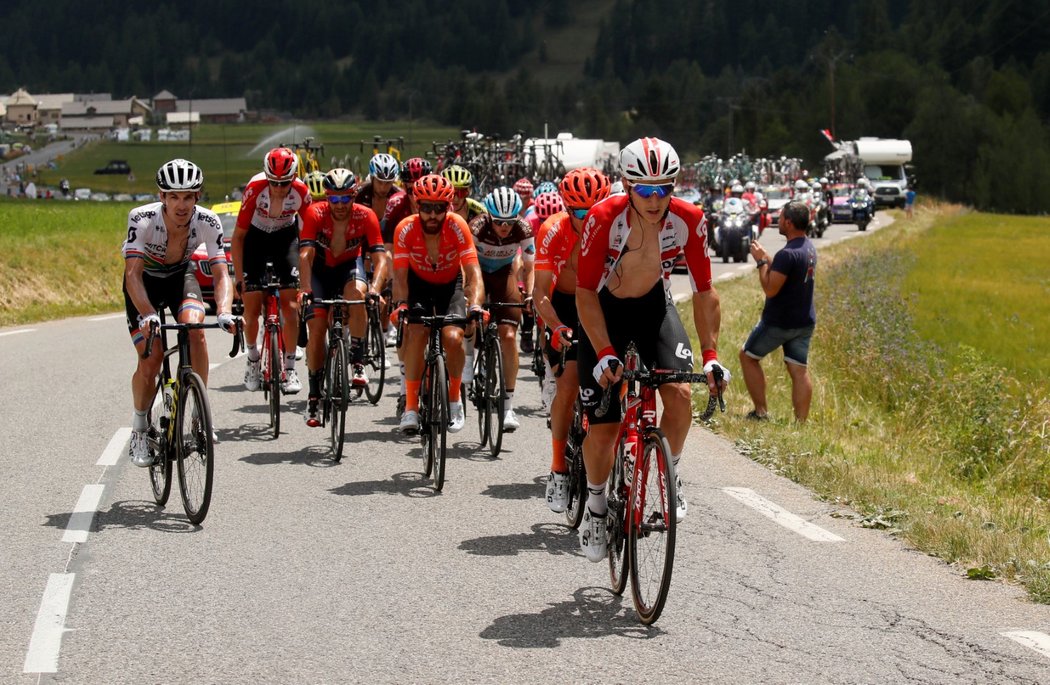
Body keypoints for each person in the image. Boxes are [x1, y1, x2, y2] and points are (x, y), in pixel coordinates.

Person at [575, 137, 730, 562]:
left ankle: (669, 472)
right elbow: (585, 292)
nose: (655, 198)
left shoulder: (689, 219)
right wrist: (604, 350)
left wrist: (712, 355)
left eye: (665, 188)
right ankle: (595, 506)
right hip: (605, 311)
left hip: (653, 309)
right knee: (604, 430)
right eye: (645, 189)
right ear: (627, 185)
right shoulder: (604, 217)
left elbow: (704, 292)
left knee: (680, 395)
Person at [122, 159, 237, 466]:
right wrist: (147, 313)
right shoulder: (142, 218)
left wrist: (224, 310)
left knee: (196, 330)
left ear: (197, 197)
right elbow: (132, 274)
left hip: (179, 278)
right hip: (144, 284)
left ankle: (199, 411)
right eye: (174, 196)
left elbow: (221, 273)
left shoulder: (208, 221)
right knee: (152, 358)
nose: (181, 204)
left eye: (188, 196)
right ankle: (139, 428)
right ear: (162, 197)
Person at [532, 167, 611, 513]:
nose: (588, 218)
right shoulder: (553, 231)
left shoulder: (617, 227)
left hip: (602, 303)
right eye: (579, 212)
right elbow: (539, 293)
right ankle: (558, 468)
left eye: (594, 210)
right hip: (562, 306)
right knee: (567, 385)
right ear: (566, 209)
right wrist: (557, 326)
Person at [390, 174, 484, 435]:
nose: (432, 215)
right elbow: (399, 275)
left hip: (449, 285)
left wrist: (475, 304)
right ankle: (410, 407)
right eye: (426, 208)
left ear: (448, 207)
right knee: (417, 332)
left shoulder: (457, 226)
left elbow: (473, 271)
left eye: (439, 208)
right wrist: (400, 304)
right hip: (417, 284)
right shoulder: (405, 228)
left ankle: (454, 399)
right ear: (416, 206)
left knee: (453, 337)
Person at [298, 168, 389, 426]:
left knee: (358, 295)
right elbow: (305, 255)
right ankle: (314, 395)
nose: (339, 205)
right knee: (316, 329)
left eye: (345, 198)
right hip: (319, 273)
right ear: (327, 197)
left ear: (354, 195)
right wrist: (305, 289)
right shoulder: (315, 213)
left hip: (349, 268)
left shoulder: (366, 215)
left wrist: (375, 289)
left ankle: (357, 360)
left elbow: (381, 258)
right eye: (334, 199)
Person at [231, 147, 312, 395]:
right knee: (252, 306)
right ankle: (254, 358)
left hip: (284, 238)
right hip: (255, 238)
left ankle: (289, 368)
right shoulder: (255, 189)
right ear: (267, 177)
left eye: (284, 182)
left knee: (290, 306)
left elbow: (309, 233)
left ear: (293, 178)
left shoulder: (300, 191)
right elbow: (238, 237)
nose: (278, 188)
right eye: (274, 182)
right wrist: (238, 275)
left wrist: (307, 276)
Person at [740, 200, 816, 423]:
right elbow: (787, 271)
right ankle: (801, 423)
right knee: (799, 370)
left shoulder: (787, 254)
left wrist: (761, 262)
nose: (777, 220)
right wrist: (768, 258)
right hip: (804, 322)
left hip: (779, 323)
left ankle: (761, 412)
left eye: (781, 217)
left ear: (789, 223)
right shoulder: (808, 248)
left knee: (747, 357)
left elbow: (770, 288)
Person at [470, 186, 536, 431]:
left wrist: (529, 295)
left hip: (503, 273)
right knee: (469, 317)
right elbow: (464, 263)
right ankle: (468, 364)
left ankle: (508, 406)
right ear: (489, 217)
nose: (505, 227)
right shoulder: (476, 226)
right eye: (499, 222)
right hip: (476, 271)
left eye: (509, 222)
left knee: (508, 336)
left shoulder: (524, 228)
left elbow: (530, 267)